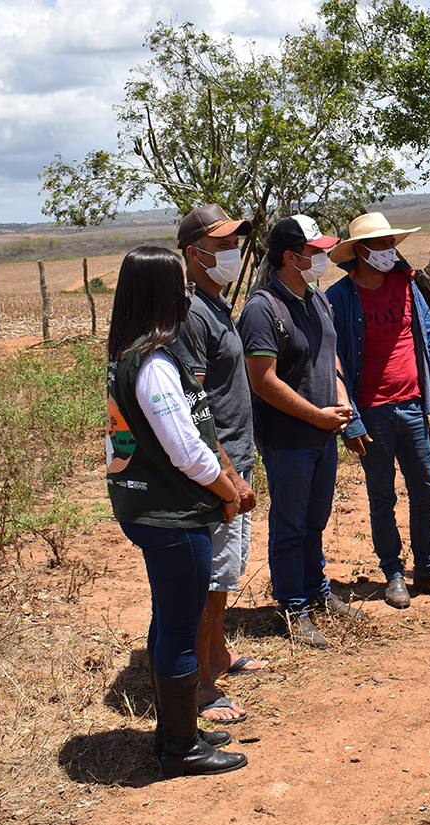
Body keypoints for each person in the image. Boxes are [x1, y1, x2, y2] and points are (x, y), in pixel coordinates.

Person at [106, 245, 247, 777]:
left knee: (168, 621)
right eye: (180, 285)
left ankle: (177, 730)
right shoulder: (154, 365)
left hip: (153, 510)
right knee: (179, 626)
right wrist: (228, 491)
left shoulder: (134, 356)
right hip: (171, 516)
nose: (188, 292)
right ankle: (181, 749)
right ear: (161, 294)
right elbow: (186, 450)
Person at [326, 213, 430, 609]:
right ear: (360, 252)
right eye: (381, 245)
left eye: (391, 244)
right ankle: (393, 574)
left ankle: (429, 568)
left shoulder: (407, 286)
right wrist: (350, 420)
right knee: (381, 496)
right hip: (372, 413)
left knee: (425, 491)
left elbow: (428, 342)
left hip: (412, 406)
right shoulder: (338, 298)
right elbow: (333, 364)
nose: (389, 251)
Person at [238, 215, 358, 649]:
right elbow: (263, 381)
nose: (324, 258)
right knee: (290, 524)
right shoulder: (262, 309)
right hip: (290, 439)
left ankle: (316, 591)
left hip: (324, 434)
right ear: (291, 256)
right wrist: (316, 416)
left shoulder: (318, 299)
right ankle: (292, 606)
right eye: (316, 252)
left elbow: (331, 359)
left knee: (314, 520)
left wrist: (342, 399)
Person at [170, 204, 263, 726]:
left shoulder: (216, 302)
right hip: (216, 466)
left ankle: (219, 656)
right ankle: (202, 686)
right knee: (208, 576)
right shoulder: (190, 311)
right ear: (194, 252)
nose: (232, 250)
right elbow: (194, 403)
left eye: (233, 242)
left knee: (225, 571)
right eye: (222, 243)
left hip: (235, 459)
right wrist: (225, 473)